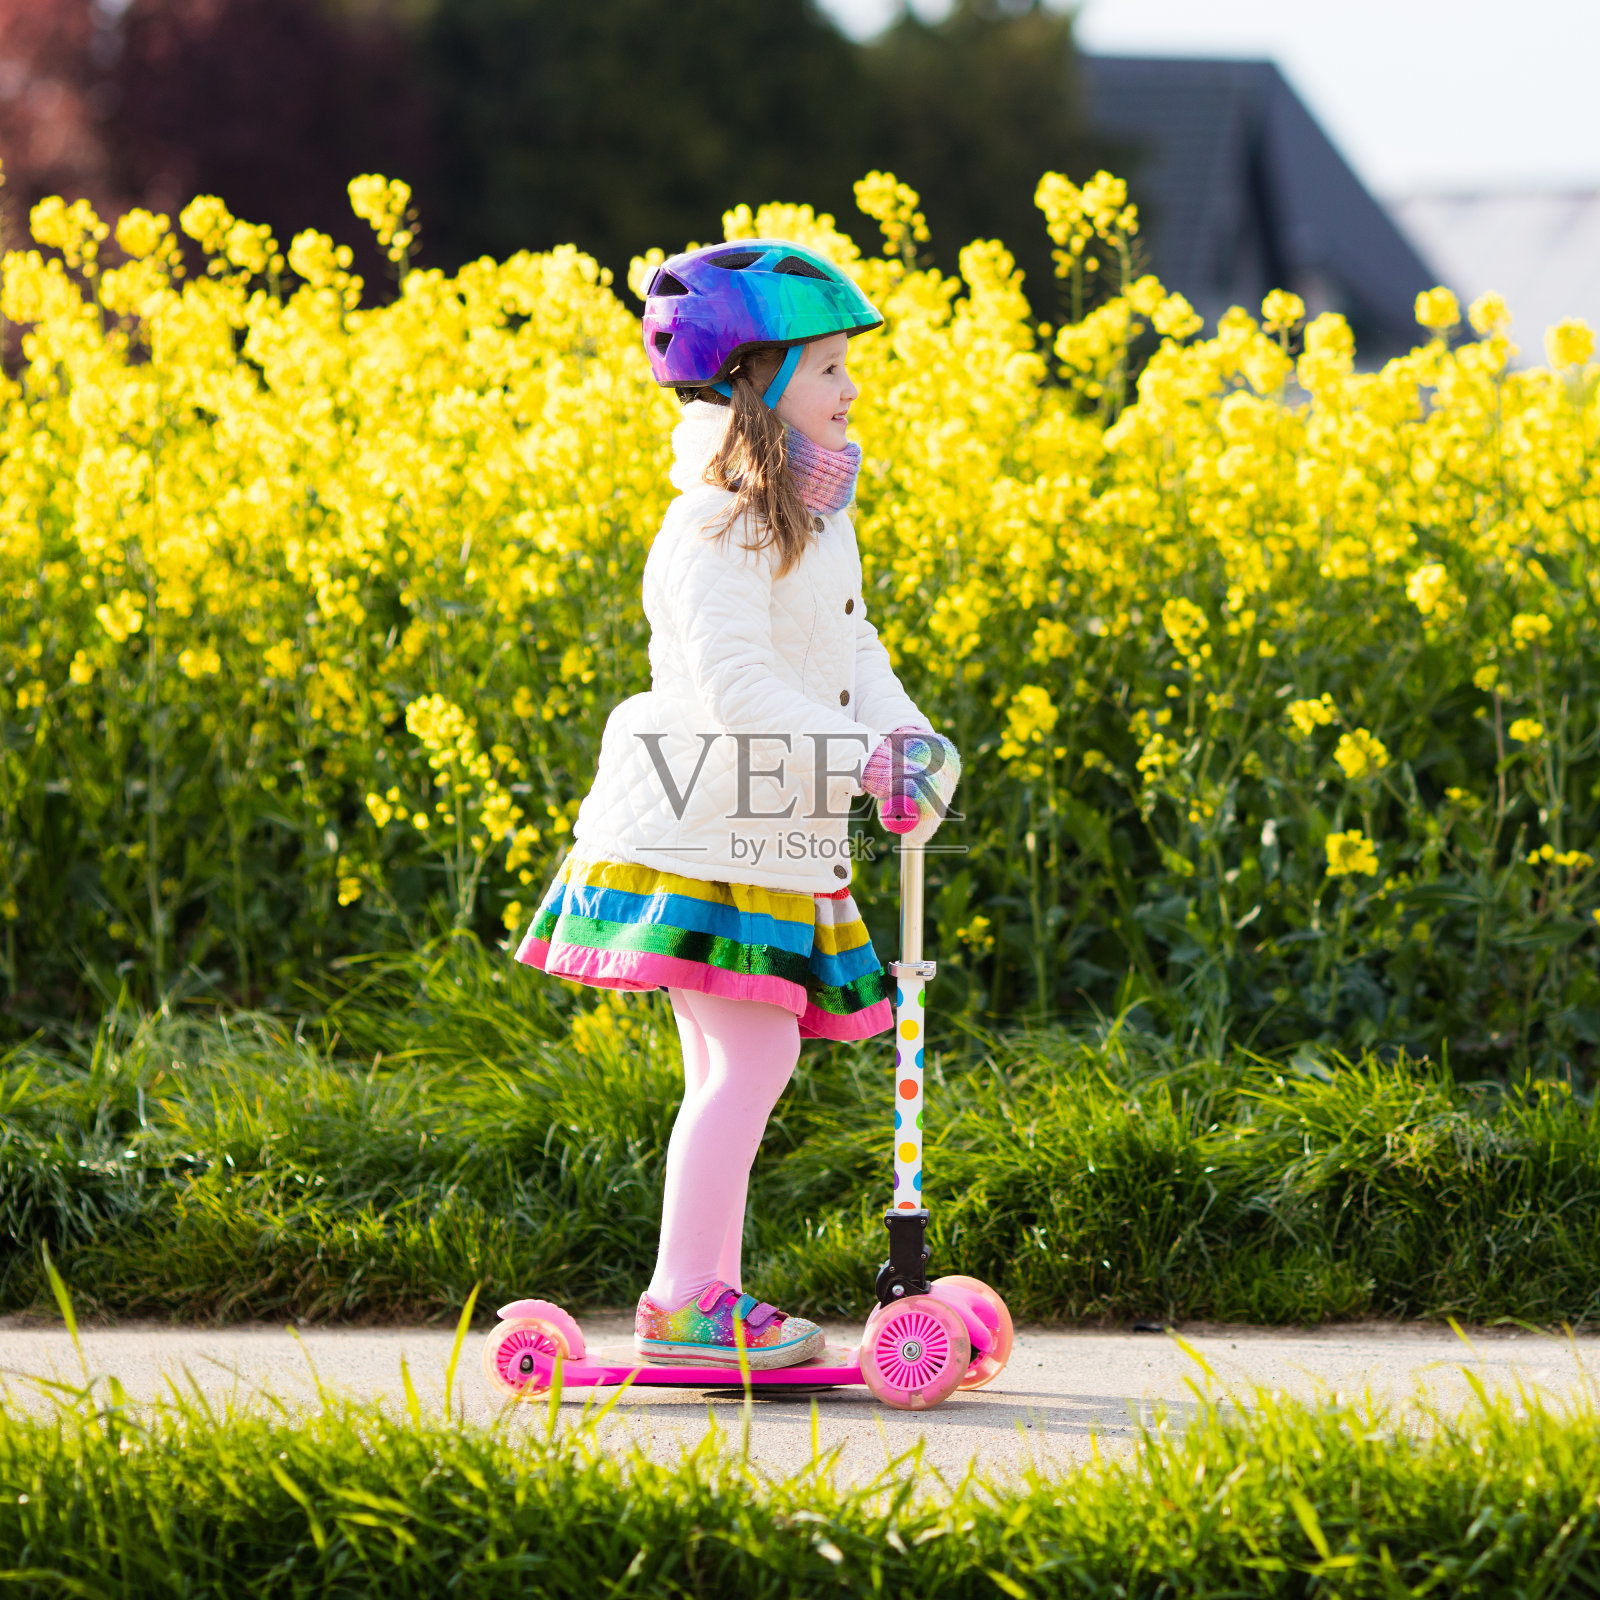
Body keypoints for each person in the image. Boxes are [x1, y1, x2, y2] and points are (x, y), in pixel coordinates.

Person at [515, 240, 961, 1369]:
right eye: (825, 369)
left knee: (733, 1068)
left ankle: (695, 1294)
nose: (850, 390)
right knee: (748, 1065)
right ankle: (683, 1299)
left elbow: (852, 649)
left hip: (766, 831)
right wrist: (863, 759)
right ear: (755, 384)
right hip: (699, 831)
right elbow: (739, 688)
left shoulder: (812, 517)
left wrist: (911, 745)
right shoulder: (713, 526)